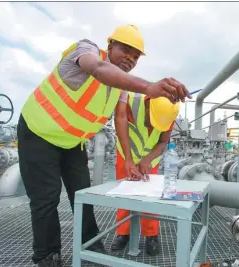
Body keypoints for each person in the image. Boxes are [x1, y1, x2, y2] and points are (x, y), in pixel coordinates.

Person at [17, 24, 190, 267]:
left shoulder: (120, 85)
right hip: (38, 132)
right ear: (110, 46)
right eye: (125, 50)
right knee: (46, 197)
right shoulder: (85, 50)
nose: (130, 58)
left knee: (82, 194)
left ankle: (91, 243)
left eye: (136, 55)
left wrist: (133, 159)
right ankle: (47, 255)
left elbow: (120, 117)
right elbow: (97, 69)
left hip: (72, 142)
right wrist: (149, 87)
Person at [111, 92, 180, 255]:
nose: (152, 125)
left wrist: (147, 159)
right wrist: (128, 158)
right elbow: (120, 122)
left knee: (150, 196)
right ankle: (123, 233)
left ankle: (151, 235)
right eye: (152, 120)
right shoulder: (131, 102)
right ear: (149, 104)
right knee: (125, 193)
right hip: (126, 154)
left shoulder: (169, 112)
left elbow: (163, 142)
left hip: (150, 160)